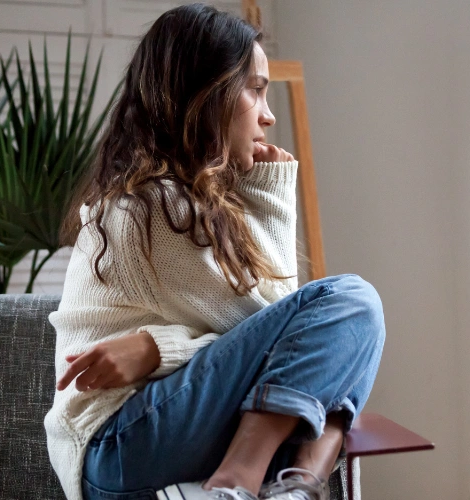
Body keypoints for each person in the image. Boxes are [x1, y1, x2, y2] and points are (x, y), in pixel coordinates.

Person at [45, 4, 385, 500]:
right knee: (353, 302)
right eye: (256, 89)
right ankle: (239, 479)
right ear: (206, 94)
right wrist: (272, 192)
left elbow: (281, 341)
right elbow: (279, 325)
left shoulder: (193, 203)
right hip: (118, 444)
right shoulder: (148, 206)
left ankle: (298, 487)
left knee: (340, 351)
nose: (268, 115)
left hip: (155, 436)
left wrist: (154, 350)